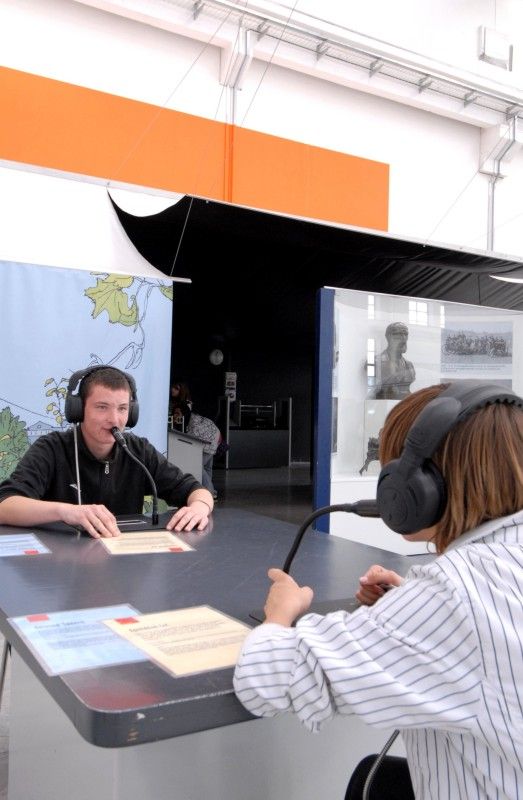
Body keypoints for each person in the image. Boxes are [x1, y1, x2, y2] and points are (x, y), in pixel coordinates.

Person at [234, 382, 523, 799]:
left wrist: (281, 612)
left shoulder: (456, 594)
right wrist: (410, 605)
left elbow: (269, 678)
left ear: (420, 486)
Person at [0, 366, 214, 539]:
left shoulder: (138, 450)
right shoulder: (51, 448)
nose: (114, 419)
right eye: (102, 407)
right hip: (62, 566)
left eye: (122, 409)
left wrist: (200, 507)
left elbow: (196, 490)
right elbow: (5, 504)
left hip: (121, 570)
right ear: (78, 409)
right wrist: (66, 511)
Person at [374, 321, 416, 399]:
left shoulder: (409, 365)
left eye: (406, 334)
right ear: (389, 337)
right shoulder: (376, 362)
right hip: (384, 402)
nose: (404, 339)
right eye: (399, 334)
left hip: (404, 404)